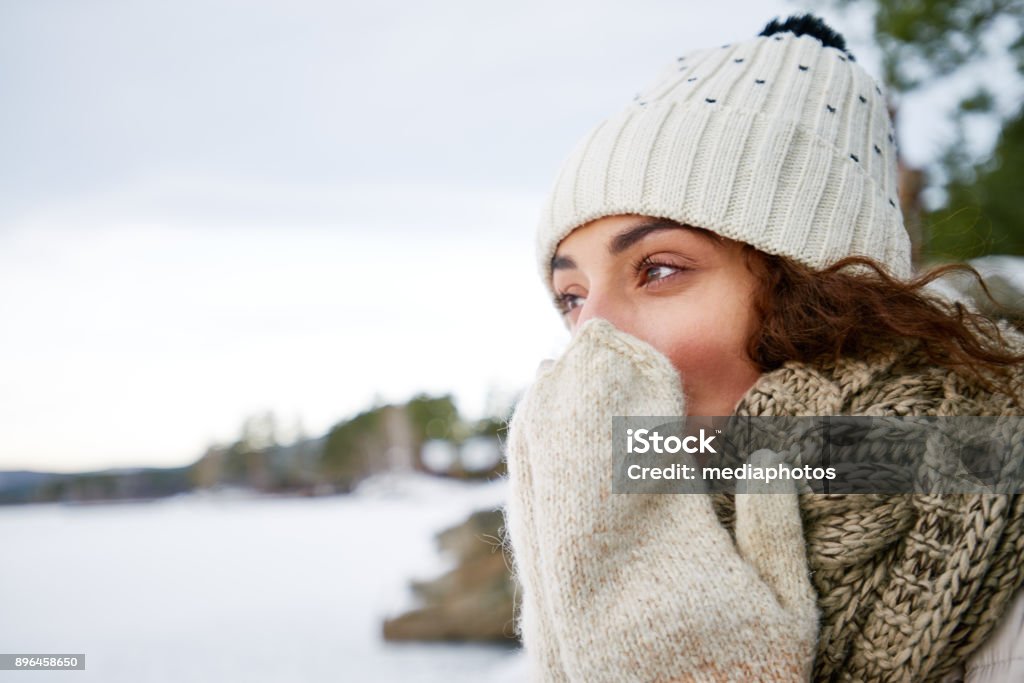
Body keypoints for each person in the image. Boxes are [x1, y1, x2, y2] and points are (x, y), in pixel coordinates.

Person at [502, 14, 1024, 682]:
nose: (592, 344)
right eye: (572, 298)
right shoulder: (603, 587)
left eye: (658, 270)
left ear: (812, 291)